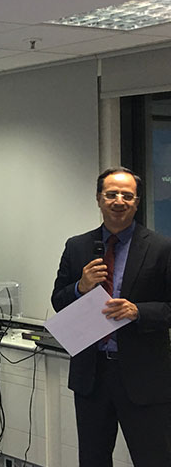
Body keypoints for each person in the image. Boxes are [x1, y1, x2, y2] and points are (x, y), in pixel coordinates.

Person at [51, 167, 171, 467]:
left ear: (136, 202)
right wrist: (80, 287)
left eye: (127, 196)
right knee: (93, 459)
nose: (119, 201)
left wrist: (139, 311)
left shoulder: (161, 247)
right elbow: (58, 301)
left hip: (143, 376)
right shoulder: (77, 246)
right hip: (92, 375)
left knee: (153, 459)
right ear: (98, 198)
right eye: (111, 194)